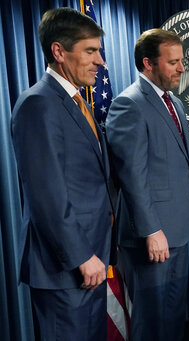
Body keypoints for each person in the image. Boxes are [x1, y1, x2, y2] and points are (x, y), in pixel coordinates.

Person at [11, 8, 113, 340]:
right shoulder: (38, 104)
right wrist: (82, 256)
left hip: (90, 261)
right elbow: (46, 194)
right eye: (90, 51)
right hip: (66, 267)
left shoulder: (73, 103)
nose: (101, 61)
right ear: (58, 52)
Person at [106, 29, 189, 340]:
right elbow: (132, 175)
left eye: (181, 61)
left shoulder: (174, 102)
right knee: (151, 323)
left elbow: (186, 161)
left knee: (174, 316)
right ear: (148, 63)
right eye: (173, 62)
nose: (182, 68)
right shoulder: (129, 104)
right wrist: (151, 230)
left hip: (179, 228)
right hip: (150, 237)